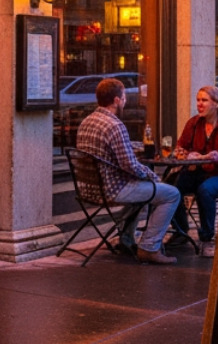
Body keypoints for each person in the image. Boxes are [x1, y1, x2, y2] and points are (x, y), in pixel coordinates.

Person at [75, 77, 181, 264]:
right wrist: (154, 177)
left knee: (143, 192)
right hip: (113, 190)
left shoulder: (87, 122)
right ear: (116, 100)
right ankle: (150, 247)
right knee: (171, 193)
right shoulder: (115, 125)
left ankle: (126, 239)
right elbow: (129, 165)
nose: (125, 101)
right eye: (124, 98)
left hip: (89, 189)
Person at [169, 83, 218, 252]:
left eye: (204, 100)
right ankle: (181, 231)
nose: (199, 104)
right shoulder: (194, 123)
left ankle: (206, 234)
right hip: (198, 170)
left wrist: (215, 156)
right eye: (198, 100)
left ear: (216, 104)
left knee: (205, 190)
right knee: (172, 188)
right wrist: (184, 154)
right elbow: (181, 146)